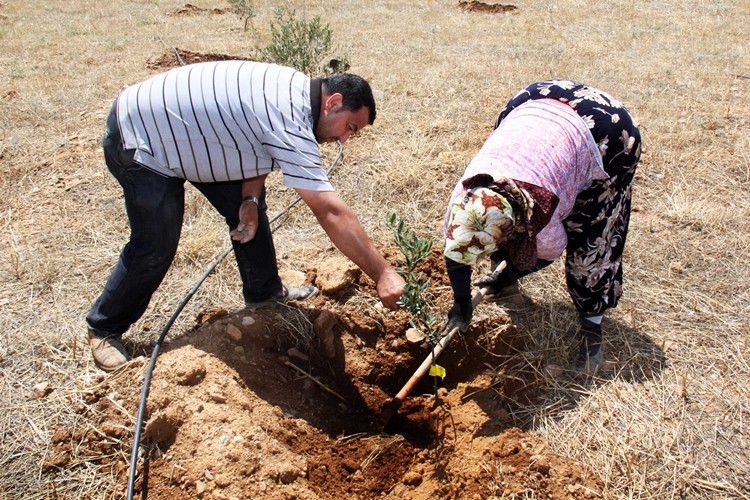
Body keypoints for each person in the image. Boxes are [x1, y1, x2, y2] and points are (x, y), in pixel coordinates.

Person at [86, 60, 405, 372]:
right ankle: (104, 328)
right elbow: (329, 210)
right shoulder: (290, 118)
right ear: (333, 102)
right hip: (141, 138)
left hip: (192, 135)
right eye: (350, 127)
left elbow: (253, 143)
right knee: (156, 243)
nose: (344, 139)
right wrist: (382, 274)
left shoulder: (295, 91)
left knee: (248, 210)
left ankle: (264, 293)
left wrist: (249, 198)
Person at [442, 79, 641, 373]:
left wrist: (507, 274)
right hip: (534, 101)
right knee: (493, 226)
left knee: (593, 239)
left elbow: (546, 254)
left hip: (606, 132)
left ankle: (591, 334)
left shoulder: (543, 225)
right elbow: (457, 252)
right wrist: (461, 302)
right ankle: (507, 283)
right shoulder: (463, 197)